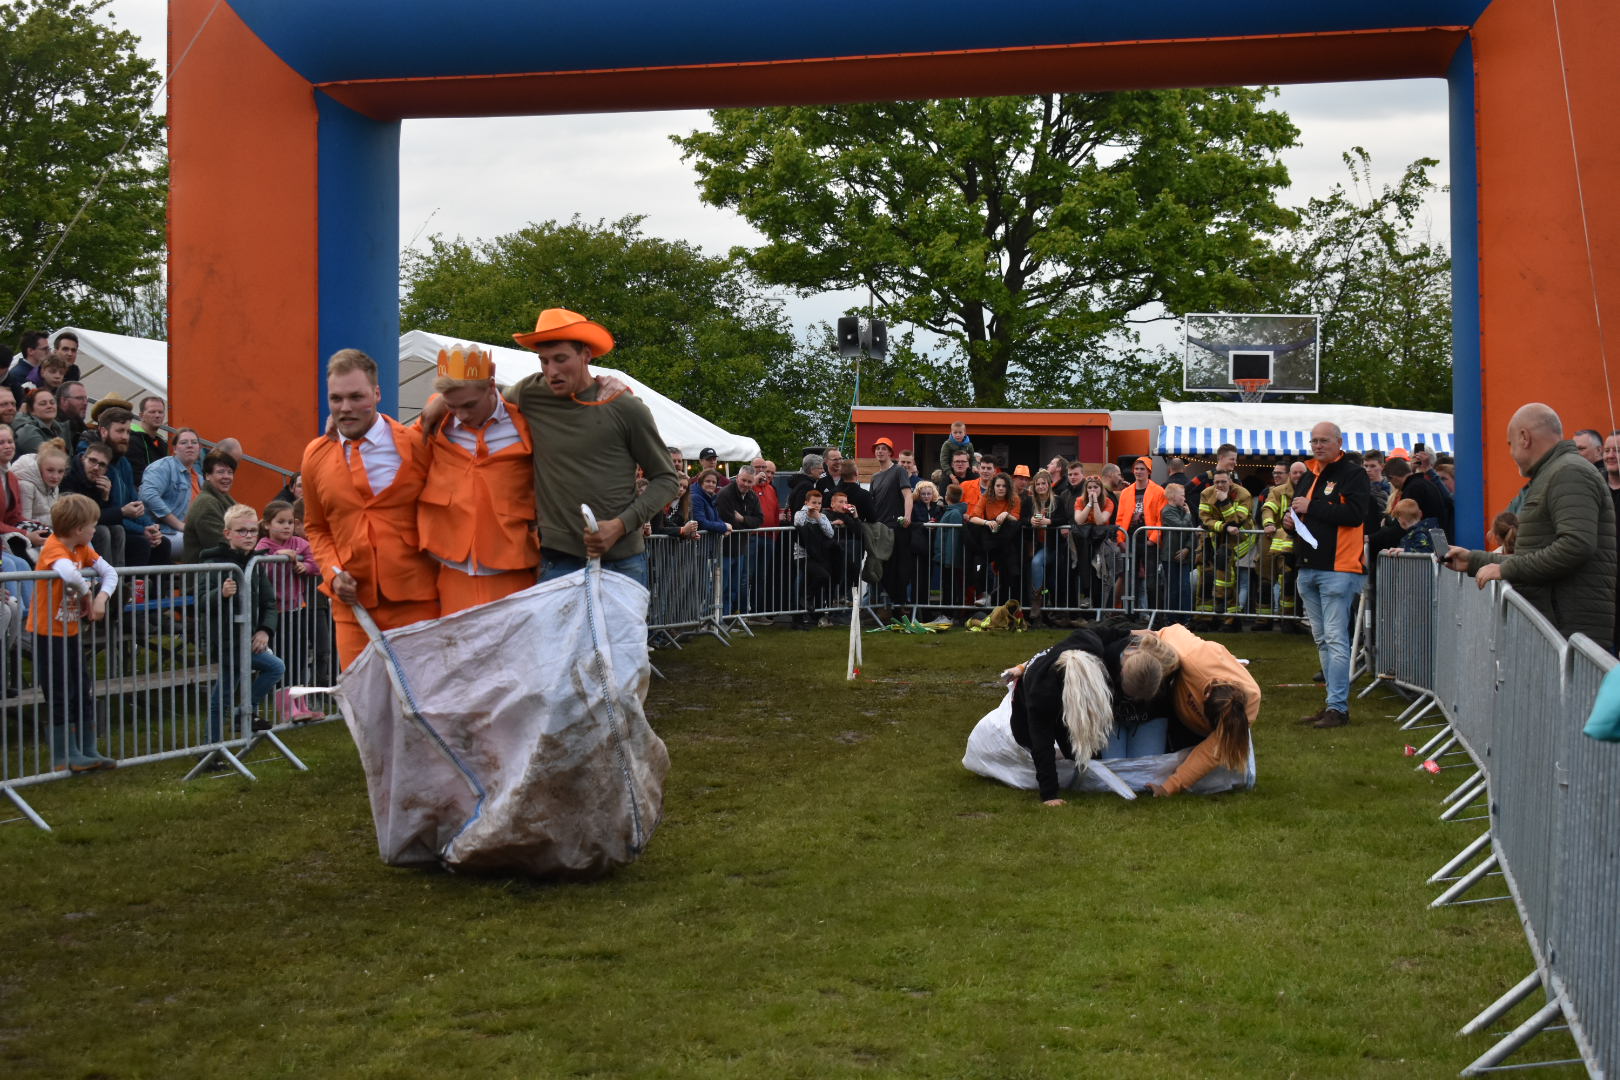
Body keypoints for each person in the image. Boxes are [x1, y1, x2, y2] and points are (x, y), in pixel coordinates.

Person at [497, 309, 678, 585]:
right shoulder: (529, 393)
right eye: (544, 361)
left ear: (586, 355)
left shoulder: (625, 406)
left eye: (561, 359)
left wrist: (620, 525)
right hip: (556, 561)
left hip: (621, 563)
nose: (551, 371)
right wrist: (441, 398)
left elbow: (666, 479)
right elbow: (479, 400)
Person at [302, 349, 440, 668]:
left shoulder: (415, 445)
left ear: (376, 393)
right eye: (336, 399)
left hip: (417, 600)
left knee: (422, 708)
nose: (345, 408)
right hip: (353, 609)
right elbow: (316, 526)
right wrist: (333, 573)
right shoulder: (315, 455)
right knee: (367, 711)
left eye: (356, 397)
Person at [1443, 403, 1616, 649]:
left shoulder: (1569, 472)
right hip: (1559, 630)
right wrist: (1472, 561)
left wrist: (1506, 570)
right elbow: (1533, 557)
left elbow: (1576, 546)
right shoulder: (1557, 472)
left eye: (1509, 444)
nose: (1510, 453)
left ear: (1524, 437)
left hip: (1568, 634)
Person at [417, 346, 540, 616]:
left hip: (513, 569)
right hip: (451, 571)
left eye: (470, 405)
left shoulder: (526, 423)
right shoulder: (435, 423)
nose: (461, 414)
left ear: (491, 386)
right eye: (452, 405)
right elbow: (395, 447)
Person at [28, 493, 118, 772]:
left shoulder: (82, 547)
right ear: (79, 529)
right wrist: (87, 594)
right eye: (93, 525)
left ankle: (87, 749)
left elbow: (110, 572)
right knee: (59, 691)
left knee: (82, 687)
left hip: (70, 631)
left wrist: (102, 598)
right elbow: (67, 574)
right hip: (48, 633)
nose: (95, 530)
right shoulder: (55, 547)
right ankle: (63, 756)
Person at [1293, 422, 1371, 729]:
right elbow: (1304, 510)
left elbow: (1355, 514)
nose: (1317, 445)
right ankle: (1331, 704)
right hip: (1309, 565)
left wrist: (1311, 507)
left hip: (1337, 567)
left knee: (1336, 640)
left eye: (1324, 440)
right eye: (1313, 440)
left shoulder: (1353, 473)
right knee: (1323, 639)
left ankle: (1338, 707)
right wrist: (1293, 518)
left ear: (1339, 442)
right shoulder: (1310, 473)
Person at [1120, 626, 1258, 796]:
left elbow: (1210, 753)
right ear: (1206, 694)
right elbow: (1170, 633)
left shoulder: (1246, 707)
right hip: (1175, 706)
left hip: (1199, 729)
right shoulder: (1195, 658)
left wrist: (1169, 787)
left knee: (1209, 767)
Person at [200, 504, 286, 739]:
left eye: (252, 531)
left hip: (248, 638)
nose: (248, 536)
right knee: (272, 668)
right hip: (225, 638)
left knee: (225, 693)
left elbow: (270, 603)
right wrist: (221, 594)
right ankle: (216, 743)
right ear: (227, 533)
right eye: (242, 531)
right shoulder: (212, 562)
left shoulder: (256, 563)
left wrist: (264, 631)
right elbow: (199, 600)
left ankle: (228, 729)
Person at [1004, 629, 1117, 805]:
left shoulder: (1090, 644)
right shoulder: (1041, 693)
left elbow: (1105, 631)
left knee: (1080, 756)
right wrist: (1050, 795)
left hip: (1056, 684)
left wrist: (1144, 633)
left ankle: (1078, 754)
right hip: (1028, 701)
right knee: (1027, 739)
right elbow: (1041, 744)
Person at [254, 499, 323, 721]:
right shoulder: (262, 547)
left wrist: (304, 566)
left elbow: (316, 563)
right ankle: (287, 710)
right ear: (266, 524)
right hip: (276, 614)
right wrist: (280, 557)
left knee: (300, 658)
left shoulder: (300, 544)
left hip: (297, 609)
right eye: (280, 522)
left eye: (290, 522)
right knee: (284, 660)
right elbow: (262, 572)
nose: (286, 527)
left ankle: (302, 706)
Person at [93, 406, 169, 566]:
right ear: (103, 432)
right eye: (120, 431)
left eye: (127, 432)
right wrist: (142, 530)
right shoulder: (96, 465)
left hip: (124, 527)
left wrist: (150, 527)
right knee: (140, 544)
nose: (125, 437)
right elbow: (110, 515)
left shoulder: (124, 463)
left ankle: (154, 591)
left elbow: (136, 505)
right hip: (105, 528)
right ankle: (128, 590)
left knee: (162, 543)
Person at [1198, 468, 1253, 628]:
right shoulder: (1206, 494)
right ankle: (1206, 618)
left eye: (1223, 481)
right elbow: (1205, 520)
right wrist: (1224, 527)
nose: (1220, 485)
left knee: (1224, 562)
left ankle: (1228, 614)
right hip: (1218, 536)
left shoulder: (1244, 494)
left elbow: (1237, 521)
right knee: (1208, 572)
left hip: (1242, 538)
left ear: (1230, 481)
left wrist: (1223, 502)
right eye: (1217, 482)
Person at [867, 436, 913, 615]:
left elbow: (908, 494)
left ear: (890, 452)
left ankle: (900, 607)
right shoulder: (875, 477)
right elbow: (872, 503)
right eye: (877, 448)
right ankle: (891, 606)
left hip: (896, 526)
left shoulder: (898, 470)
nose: (880, 451)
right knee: (882, 569)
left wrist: (907, 515)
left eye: (883, 448)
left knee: (898, 568)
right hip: (880, 528)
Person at [1114, 456, 1165, 610]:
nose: (1138, 472)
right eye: (1136, 469)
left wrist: (1153, 539)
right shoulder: (1126, 492)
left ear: (1148, 471)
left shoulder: (1158, 491)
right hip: (1130, 539)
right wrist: (1120, 539)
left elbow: (1161, 518)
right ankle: (1132, 614)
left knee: (1151, 581)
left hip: (1149, 539)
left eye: (1142, 469)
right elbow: (1120, 518)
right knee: (1131, 580)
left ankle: (1156, 615)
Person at [140, 428, 205, 547]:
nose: (190, 446)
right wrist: (179, 525)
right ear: (174, 449)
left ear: (199, 449)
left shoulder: (200, 478)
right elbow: (148, 495)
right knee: (204, 545)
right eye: (184, 442)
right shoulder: (162, 467)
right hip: (164, 532)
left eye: (194, 442)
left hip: (190, 532)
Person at [713, 463, 763, 616]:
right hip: (724, 548)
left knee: (735, 586)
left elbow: (759, 519)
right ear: (737, 478)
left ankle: (728, 617)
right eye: (743, 480)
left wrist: (742, 519)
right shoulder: (725, 494)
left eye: (749, 481)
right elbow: (728, 522)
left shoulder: (752, 496)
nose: (746, 484)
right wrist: (746, 524)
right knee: (723, 586)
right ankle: (720, 618)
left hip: (740, 548)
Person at [968, 471, 1022, 604]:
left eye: (1004, 486)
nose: (1001, 488)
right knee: (978, 563)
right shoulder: (986, 497)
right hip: (988, 540)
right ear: (993, 487)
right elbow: (973, 517)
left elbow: (1016, 518)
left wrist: (1006, 514)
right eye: (998, 485)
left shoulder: (1014, 499)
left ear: (1008, 487)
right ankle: (982, 594)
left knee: (1007, 570)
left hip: (1006, 542)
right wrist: (987, 522)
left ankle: (1002, 602)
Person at [14, 388, 69, 455]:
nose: (49, 406)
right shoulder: (28, 431)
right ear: (31, 410)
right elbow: (48, 460)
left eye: (52, 402)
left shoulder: (58, 428)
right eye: (43, 404)